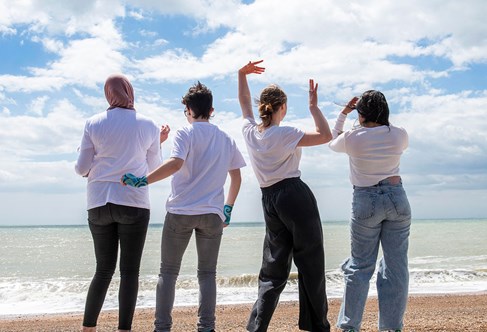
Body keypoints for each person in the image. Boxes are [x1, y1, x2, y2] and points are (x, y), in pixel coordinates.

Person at [121, 81, 246, 332]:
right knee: (207, 274)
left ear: (188, 109)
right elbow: (237, 177)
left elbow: (176, 163)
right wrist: (228, 208)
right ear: (211, 110)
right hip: (212, 214)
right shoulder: (225, 138)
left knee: (168, 272)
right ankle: (206, 327)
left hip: (181, 212)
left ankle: (162, 328)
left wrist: (142, 180)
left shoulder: (184, 133)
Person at [238, 60, 332, 332]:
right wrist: (314, 108)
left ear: (262, 108)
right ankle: (317, 326)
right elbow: (325, 135)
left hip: (269, 200)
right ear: (282, 108)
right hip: (294, 196)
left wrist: (241, 74)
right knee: (311, 262)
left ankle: (256, 327)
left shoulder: (250, 132)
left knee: (272, 269)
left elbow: (243, 102)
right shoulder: (285, 133)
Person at [75, 73, 170, 332]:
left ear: (108, 93)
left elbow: (81, 168)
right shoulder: (148, 125)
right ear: (129, 91)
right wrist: (157, 143)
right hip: (133, 202)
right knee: (129, 272)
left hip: (98, 202)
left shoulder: (93, 123)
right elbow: (154, 167)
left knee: (103, 270)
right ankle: (124, 330)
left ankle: (88, 328)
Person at [329, 90, 411, 332]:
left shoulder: (353, 137)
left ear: (361, 113)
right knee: (396, 267)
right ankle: (391, 327)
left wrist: (344, 114)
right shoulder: (399, 135)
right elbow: (389, 130)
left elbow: (333, 141)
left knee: (360, 266)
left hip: (366, 200)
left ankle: (350, 326)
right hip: (397, 198)